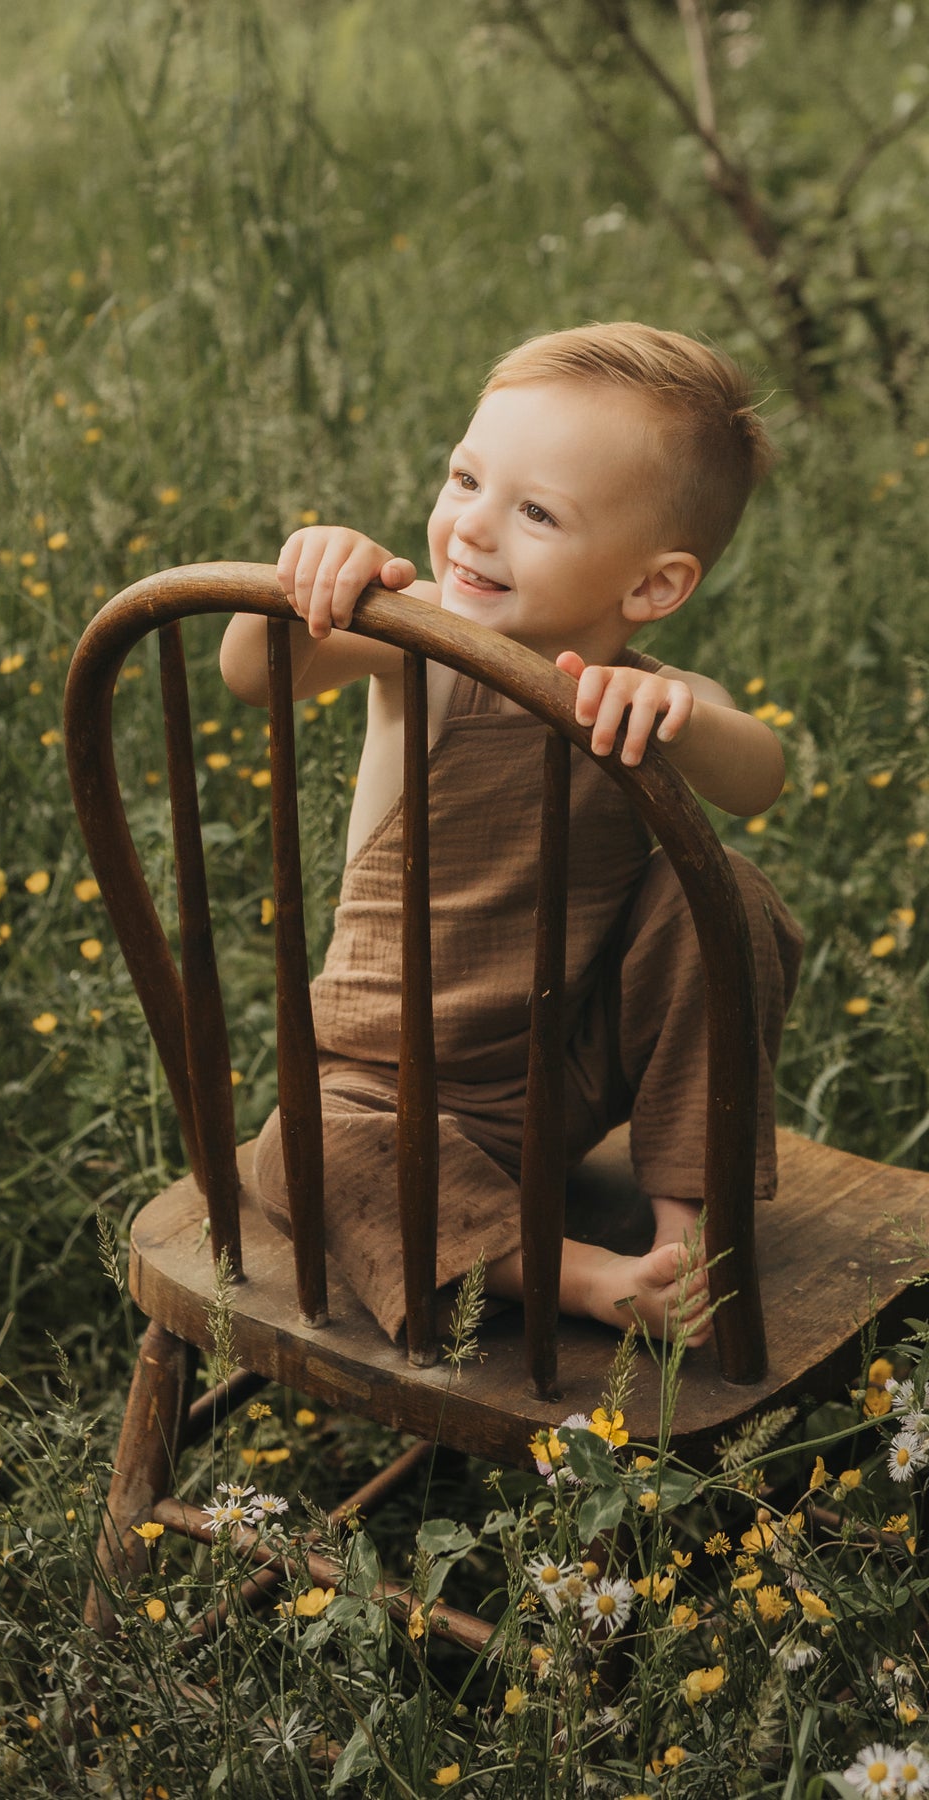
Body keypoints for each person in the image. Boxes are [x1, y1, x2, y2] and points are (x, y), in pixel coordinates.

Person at [219, 321, 803, 1347]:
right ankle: (578, 1277)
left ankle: (683, 1238)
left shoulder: (654, 699)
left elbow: (759, 774)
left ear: (653, 587)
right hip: (383, 1086)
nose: (471, 529)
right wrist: (303, 581)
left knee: (726, 895)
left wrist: (688, 721)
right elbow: (253, 669)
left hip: (559, 1079)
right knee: (302, 1147)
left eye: (534, 511)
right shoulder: (423, 642)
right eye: (464, 479)